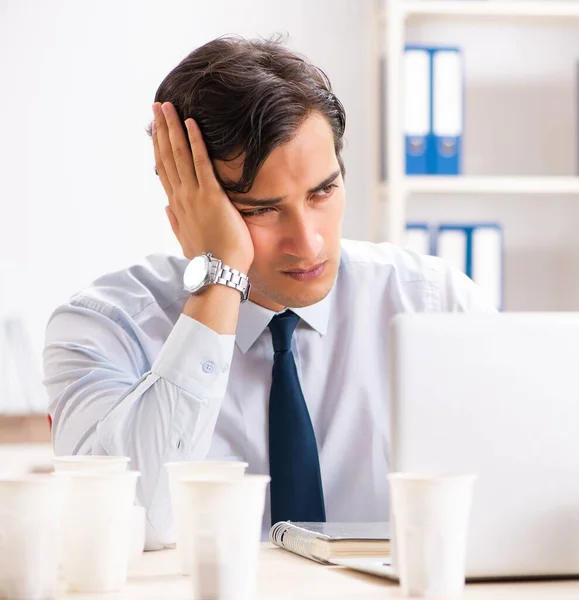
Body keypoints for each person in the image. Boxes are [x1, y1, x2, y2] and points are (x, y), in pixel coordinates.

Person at [43, 36, 496, 550]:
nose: (309, 242)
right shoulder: (104, 328)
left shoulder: (433, 305)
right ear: (189, 199)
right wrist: (219, 277)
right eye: (260, 209)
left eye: (323, 191)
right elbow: (131, 525)